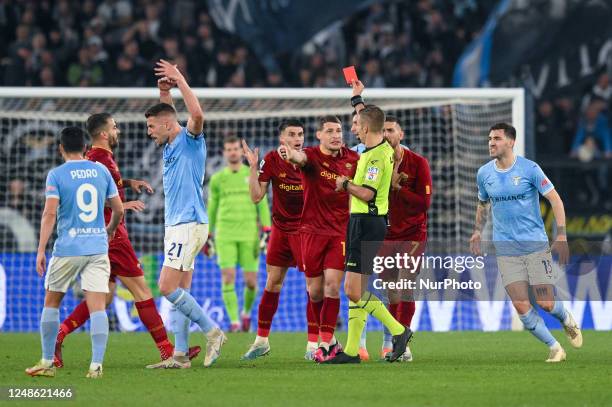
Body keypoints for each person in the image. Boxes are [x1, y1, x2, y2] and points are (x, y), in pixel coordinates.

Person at [54, 112, 201, 368]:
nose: (118, 130)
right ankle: (167, 351)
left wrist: (129, 183)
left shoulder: (98, 158)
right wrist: (122, 203)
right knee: (142, 292)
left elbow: (105, 187)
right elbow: (95, 196)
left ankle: (59, 334)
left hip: (100, 235)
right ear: (103, 134)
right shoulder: (100, 159)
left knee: (106, 296)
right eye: (114, 127)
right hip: (113, 235)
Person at [470, 122, 582, 362]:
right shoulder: (484, 174)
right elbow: (482, 205)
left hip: (535, 246)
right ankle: (554, 348)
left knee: (545, 302)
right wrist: (477, 231)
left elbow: (556, 200)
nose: (491, 142)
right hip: (506, 248)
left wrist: (561, 235)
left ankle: (566, 318)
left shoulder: (530, 169)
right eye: (490, 138)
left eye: (497, 138)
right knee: (521, 305)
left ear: (511, 142)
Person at [26, 126, 124, 378]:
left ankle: (47, 363)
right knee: (98, 307)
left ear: (61, 148)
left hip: (68, 248)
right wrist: (110, 229)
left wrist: (40, 250)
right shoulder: (101, 170)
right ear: (86, 148)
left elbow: (49, 213)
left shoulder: (56, 175)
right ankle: (96, 365)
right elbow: (119, 209)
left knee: (52, 303)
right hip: (97, 247)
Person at [146, 60, 225, 368]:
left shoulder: (190, 140)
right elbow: (168, 115)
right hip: (178, 225)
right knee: (180, 291)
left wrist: (179, 79)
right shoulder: (169, 144)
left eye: (152, 127)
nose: (150, 132)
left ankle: (212, 332)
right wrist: (163, 92)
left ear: (166, 126)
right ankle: (179, 355)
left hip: (188, 224)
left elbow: (197, 115)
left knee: (165, 287)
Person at [323, 93, 412, 365]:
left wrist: (345, 184)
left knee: (352, 290)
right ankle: (351, 351)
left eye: (355, 125)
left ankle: (399, 331)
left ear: (365, 129)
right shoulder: (381, 146)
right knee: (356, 288)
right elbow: (372, 118)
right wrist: (357, 99)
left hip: (366, 222)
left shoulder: (374, 158)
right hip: (364, 223)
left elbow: (368, 193)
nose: (352, 129)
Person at [277, 116, 360, 363]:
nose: (336, 135)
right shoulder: (311, 156)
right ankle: (332, 341)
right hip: (311, 232)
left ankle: (324, 343)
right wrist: (288, 153)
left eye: (339, 131)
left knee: (332, 286)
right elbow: (298, 158)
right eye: (330, 131)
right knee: (314, 292)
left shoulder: (353, 159)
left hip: (340, 232)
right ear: (319, 135)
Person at [241, 120, 320, 360]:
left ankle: (313, 345)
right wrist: (253, 168)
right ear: (281, 139)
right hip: (280, 231)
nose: (297, 138)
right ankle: (261, 340)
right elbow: (256, 197)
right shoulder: (272, 160)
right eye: (292, 134)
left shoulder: (311, 159)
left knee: (312, 288)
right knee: (272, 283)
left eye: (300, 134)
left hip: (306, 231)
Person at [378, 114, 432, 361]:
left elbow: (425, 203)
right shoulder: (374, 164)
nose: (387, 135)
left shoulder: (418, 163)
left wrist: (399, 189)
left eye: (391, 130)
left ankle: (403, 344)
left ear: (401, 135)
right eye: (383, 131)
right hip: (384, 234)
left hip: (413, 233)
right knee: (391, 291)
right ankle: (396, 337)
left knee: (405, 284)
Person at [207, 135, 271, 332]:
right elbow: (212, 207)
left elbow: (261, 202)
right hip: (224, 234)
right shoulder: (218, 179)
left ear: (241, 152)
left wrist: (267, 229)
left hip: (249, 235)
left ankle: (246, 313)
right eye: (229, 149)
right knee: (228, 277)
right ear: (224, 153)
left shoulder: (252, 174)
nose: (233, 152)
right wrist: (208, 233)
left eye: (236, 148)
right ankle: (234, 322)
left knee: (251, 282)